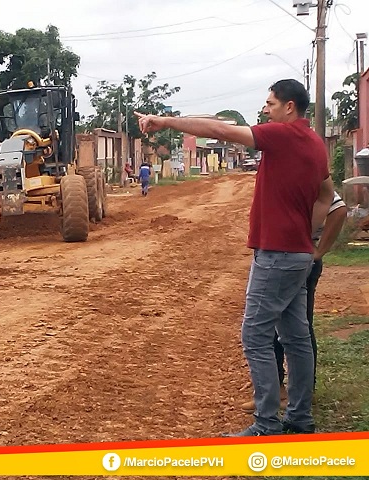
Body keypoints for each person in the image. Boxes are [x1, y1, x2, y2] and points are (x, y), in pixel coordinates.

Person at [136, 79, 334, 436]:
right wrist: (306, 229)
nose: (266, 109)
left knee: (255, 336)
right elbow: (327, 195)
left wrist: (166, 121)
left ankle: (266, 423)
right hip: (299, 253)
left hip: (276, 254)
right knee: (296, 338)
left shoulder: (282, 136)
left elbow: (218, 129)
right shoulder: (317, 145)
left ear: (290, 107)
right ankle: (300, 418)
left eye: (271, 103)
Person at [240, 191, 346, 413]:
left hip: (293, 258)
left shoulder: (307, 176)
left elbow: (338, 208)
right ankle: (291, 394)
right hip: (297, 257)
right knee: (294, 331)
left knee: (280, 331)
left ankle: (282, 398)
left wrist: (319, 250)